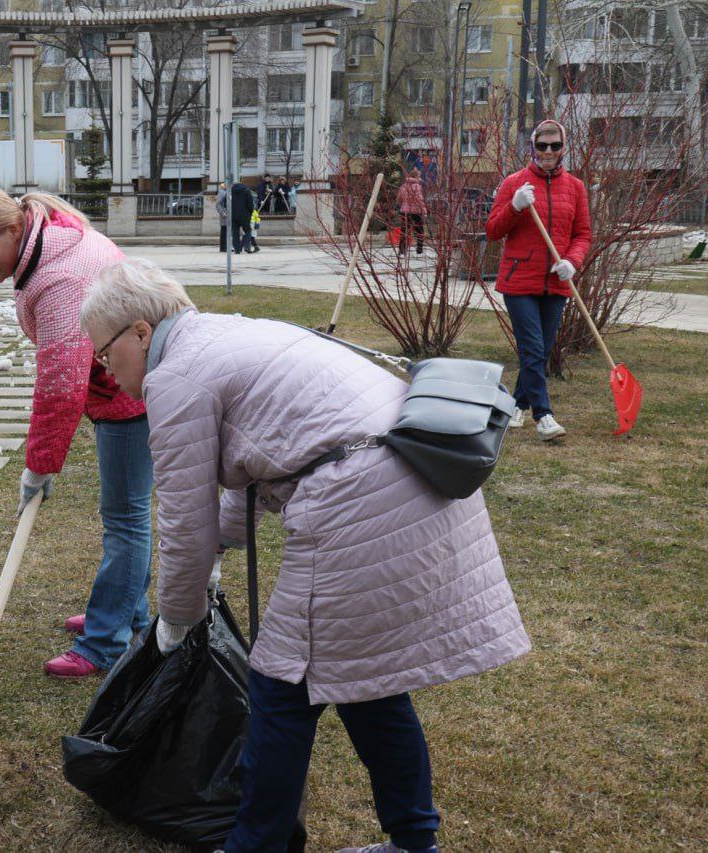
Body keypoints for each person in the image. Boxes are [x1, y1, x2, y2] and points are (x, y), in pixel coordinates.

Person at [80, 259, 531, 853]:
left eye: (104, 353)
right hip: (414, 473)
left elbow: (182, 521)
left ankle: (255, 847)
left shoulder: (176, 377)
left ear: (141, 331)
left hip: (360, 499)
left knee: (281, 686)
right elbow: (261, 455)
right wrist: (216, 546)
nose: (104, 369)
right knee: (368, 684)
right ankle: (415, 843)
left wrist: (176, 624)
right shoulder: (223, 333)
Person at [0, 190, 152, 680]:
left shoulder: (61, 275)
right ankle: (126, 612)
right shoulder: (49, 239)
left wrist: (39, 466)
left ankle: (104, 641)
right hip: (123, 386)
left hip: (133, 393)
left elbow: (61, 386)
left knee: (126, 520)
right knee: (127, 516)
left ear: (13, 231)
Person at [486, 118, 592, 441]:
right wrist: (515, 206)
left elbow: (583, 234)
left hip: (556, 283)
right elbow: (493, 231)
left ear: (563, 149)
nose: (548, 151)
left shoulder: (575, 187)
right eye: (542, 145)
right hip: (519, 282)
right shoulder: (514, 183)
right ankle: (543, 415)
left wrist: (572, 262)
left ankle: (515, 404)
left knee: (541, 350)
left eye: (554, 146)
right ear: (532, 146)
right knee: (533, 347)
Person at [396, 167, 427, 255]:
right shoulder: (417, 186)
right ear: (417, 176)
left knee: (404, 230)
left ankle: (402, 250)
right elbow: (419, 199)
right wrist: (424, 210)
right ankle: (419, 249)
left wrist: (403, 204)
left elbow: (399, 198)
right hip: (416, 211)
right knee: (420, 230)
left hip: (405, 211)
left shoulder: (404, 186)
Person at [229, 180, 255, 254]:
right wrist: (251, 211)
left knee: (235, 233)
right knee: (248, 231)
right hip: (245, 215)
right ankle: (246, 246)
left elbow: (226, 203)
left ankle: (237, 249)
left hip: (233, 215)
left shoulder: (230, 191)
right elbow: (250, 203)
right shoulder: (247, 190)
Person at [216, 181, 230, 253]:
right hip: (224, 214)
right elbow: (218, 204)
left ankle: (226, 247)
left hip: (228, 214)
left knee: (227, 231)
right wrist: (222, 213)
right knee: (224, 230)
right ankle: (223, 247)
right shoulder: (221, 192)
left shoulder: (227, 191)